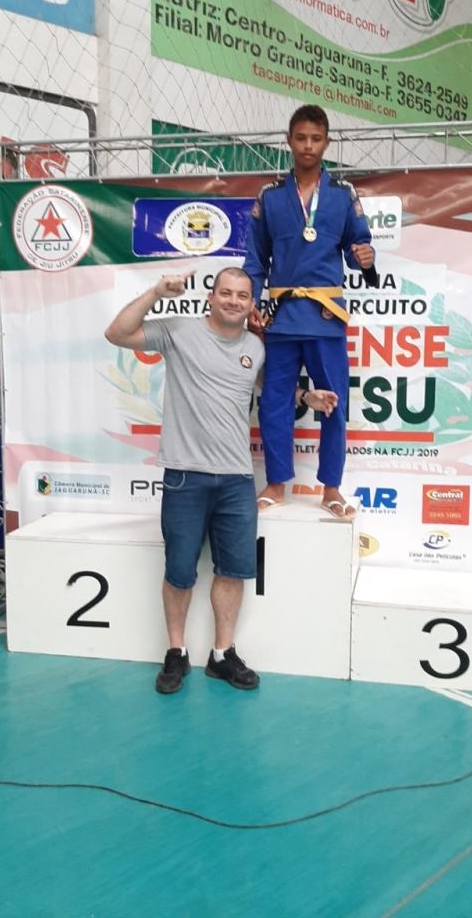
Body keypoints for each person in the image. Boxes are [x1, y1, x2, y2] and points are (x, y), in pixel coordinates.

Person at [104, 266, 337, 694]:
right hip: (185, 476)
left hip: (236, 479)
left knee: (233, 571)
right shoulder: (179, 331)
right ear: (210, 297)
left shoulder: (255, 346)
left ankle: (221, 655)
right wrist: (157, 292)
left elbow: (272, 387)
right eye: (225, 293)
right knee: (179, 571)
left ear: (251, 304)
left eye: (242, 296)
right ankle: (176, 652)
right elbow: (117, 333)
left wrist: (307, 396)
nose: (233, 301)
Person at [243, 104, 377, 518]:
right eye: (301, 138)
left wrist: (365, 258)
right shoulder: (270, 197)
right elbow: (255, 259)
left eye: (316, 139)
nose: (308, 146)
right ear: (289, 141)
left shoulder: (342, 195)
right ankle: (276, 483)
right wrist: (251, 302)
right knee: (274, 401)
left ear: (327, 143)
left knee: (333, 402)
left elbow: (357, 248)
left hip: (325, 316)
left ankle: (331, 488)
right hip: (281, 317)